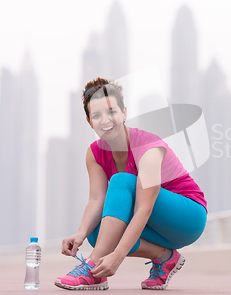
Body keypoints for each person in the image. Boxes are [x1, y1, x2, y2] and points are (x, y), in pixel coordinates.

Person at [55, 78, 207, 291]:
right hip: (155, 221)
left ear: (124, 113)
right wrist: (80, 233)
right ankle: (165, 258)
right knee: (96, 233)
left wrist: (118, 255)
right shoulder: (94, 153)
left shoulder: (147, 146)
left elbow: (144, 208)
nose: (105, 120)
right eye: (96, 115)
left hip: (187, 217)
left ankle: (92, 269)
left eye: (111, 112)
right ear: (90, 122)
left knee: (122, 180)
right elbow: (97, 199)